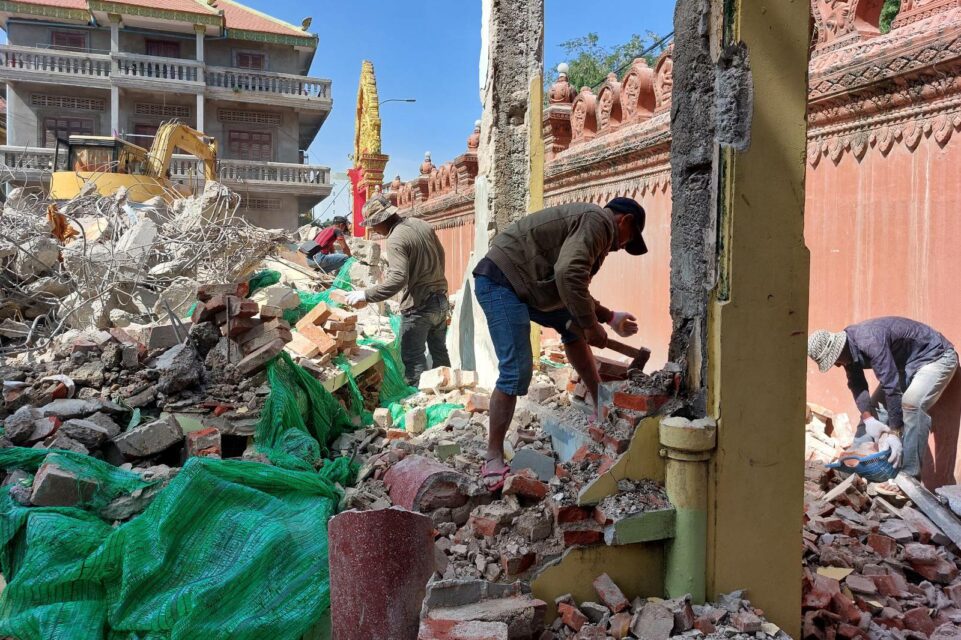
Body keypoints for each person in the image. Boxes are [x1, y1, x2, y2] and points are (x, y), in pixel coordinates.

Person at [473, 197, 649, 491]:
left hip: (531, 284)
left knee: (574, 327)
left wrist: (608, 317)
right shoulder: (599, 224)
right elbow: (569, 274)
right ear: (625, 221)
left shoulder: (593, 223)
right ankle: (492, 455)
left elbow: (569, 283)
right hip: (502, 282)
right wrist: (592, 324)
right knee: (516, 370)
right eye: (628, 240)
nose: (621, 247)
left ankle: (599, 403)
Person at [808, 317, 959, 479]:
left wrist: (894, 432)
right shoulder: (849, 350)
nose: (837, 365)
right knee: (873, 410)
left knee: (912, 404)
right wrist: (869, 420)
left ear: (838, 350)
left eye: (834, 361)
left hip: (936, 357)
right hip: (904, 366)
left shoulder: (869, 340)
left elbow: (891, 386)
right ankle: (855, 472)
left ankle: (909, 476)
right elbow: (857, 385)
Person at [345, 196, 450, 384]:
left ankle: (420, 405)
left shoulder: (395, 239)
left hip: (419, 307)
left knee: (413, 360)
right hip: (440, 301)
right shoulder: (421, 224)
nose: (374, 230)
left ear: (380, 221)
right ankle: (449, 395)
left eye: (373, 226)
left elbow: (398, 279)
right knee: (440, 353)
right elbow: (442, 254)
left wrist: (366, 294)